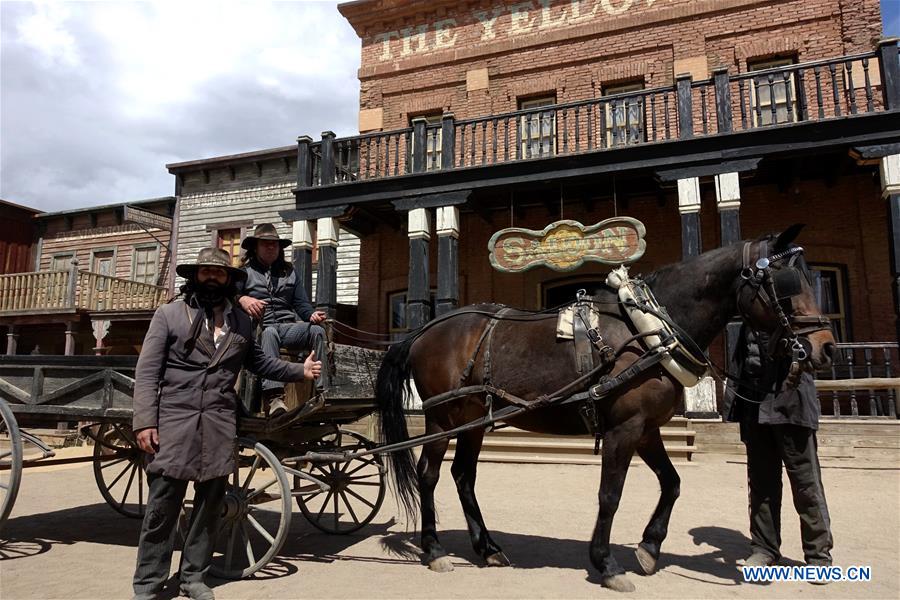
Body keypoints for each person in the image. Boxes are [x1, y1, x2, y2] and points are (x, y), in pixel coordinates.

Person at [131, 247, 321, 600]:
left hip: (218, 425)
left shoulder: (241, 322)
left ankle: (193, 578)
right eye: (206, 272)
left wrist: (300, 370)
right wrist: (144, 422)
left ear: (230, 280)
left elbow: (261, 363)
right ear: (195, 276)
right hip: (174, 423)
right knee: (162, 509)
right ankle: (148, 585)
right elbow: (147, 372)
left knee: (209, 508)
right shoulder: (169, 315)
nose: (212, 278)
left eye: (219, 273)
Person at [723, 325, 833, 576]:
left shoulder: (797, 312)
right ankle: (764, 548)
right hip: (755, 408)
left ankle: (818, 555)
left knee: (806, 483)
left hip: (791, 406)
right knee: (761, 484)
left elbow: (817, 354)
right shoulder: (748, 315)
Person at [236, 223, 330, 417]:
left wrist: (311, 315)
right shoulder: (244, 273)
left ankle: (323, 391)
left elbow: (302, 304)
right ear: (255, 247)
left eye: (275, 244)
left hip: (288, 328)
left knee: (317, 331)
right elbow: (229, 296)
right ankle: (275, 398)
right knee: (270, 333)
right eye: (265, 244)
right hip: (260, 330)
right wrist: (243, 299)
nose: (271, 247)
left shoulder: (290, 272)